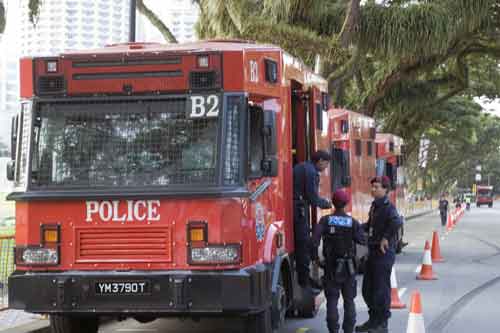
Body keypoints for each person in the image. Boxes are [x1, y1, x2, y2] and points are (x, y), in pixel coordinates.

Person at [312, 190, 366, 333]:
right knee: (349, 301)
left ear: (333, 203)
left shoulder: (325, 221)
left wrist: (316, 260)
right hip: (349, 268)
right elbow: (362, 240)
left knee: (332, 301)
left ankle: (333, 330)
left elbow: (314, 241)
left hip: (330, 267)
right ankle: (348, 330)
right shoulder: (353, 223)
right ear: (346, 203)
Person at [356, 176, 402, 333]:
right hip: (372, 251)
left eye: (377, 187)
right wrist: (355, 227)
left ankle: (382, 324)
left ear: (385, 189)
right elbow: (369, 226)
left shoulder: (389, 207)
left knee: (381, 290)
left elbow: (397, 222)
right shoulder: (374, 206)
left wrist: (385, 238)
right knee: (367, 289)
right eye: (373, 186)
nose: (373, 189)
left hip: (383, 253)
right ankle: (373, 320)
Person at [293, 150, 332, 289]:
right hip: (299, 211)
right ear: (320, 160)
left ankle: (305, 277)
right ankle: (304, 281)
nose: (325, 168)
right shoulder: (311, 172)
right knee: (303, 244)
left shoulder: (300, 166)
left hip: (294, 208)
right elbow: (312, 197)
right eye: (326, 164)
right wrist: (327, 204)